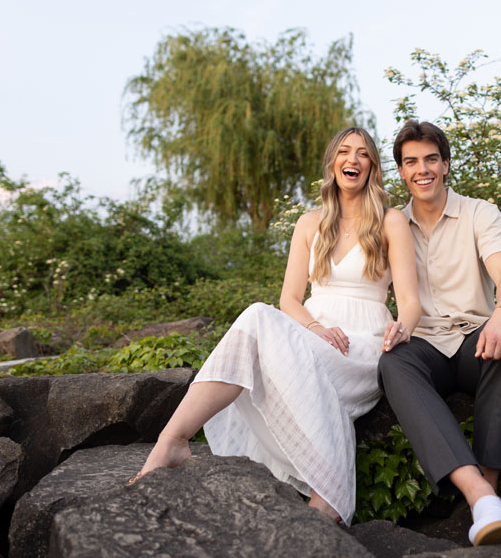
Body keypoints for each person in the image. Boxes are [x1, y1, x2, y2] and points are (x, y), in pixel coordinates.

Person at [130, 126, 421, 526]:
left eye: (362, 154)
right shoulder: (309, 223)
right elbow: (289, 300)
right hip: (313, 333)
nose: (352, 160)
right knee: (258, 318)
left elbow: (409, 301)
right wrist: (316, 327)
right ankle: (174, 441)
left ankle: (175, 441)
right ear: (332, 162)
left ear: (372, 166)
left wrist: (402, 328)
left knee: (255, 317)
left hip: (363, 343)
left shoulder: (390, 222)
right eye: (344, 152)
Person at [377, 120, 501, 546]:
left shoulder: (480, 212)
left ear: (446, 164)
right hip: (423, 343)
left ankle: (490, 497)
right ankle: (481, 497)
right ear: (402, 172)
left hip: (472, 340)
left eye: (430, 159)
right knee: (392, 362)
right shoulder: (391, 226)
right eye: (411, 162)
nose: (421, 169)